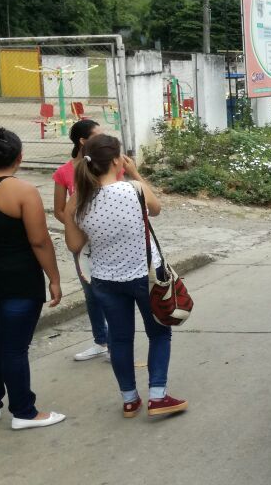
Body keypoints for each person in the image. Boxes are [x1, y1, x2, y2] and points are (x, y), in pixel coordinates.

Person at [62, 135, 188, 418]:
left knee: (119, 340)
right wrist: (136, 173)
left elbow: (73, 246)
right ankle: (158, 395)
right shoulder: (134, 189)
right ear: (117, 160)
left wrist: (73, 215)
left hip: (105, 281)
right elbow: (156, 210)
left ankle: (130, 400)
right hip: (147, 277)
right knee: (159, 334)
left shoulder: (78, 201)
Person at [0, 127, 66, 430]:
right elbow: (40, 241)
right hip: (19, 282)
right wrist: (54, 277)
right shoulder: (23, 191)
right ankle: (24, 412)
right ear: (20, 158)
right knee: (13, 349)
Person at [53, 119, 110, 362]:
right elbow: (58, 210)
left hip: (108, 240)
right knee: (91, 293)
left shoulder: (106, 165)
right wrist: (77, 230)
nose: (103, 139)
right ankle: (101, 341)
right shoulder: (64, 172)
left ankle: (117, 342)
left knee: (112, 292)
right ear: (83, 141)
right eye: (97, 136)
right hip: (81, 245)